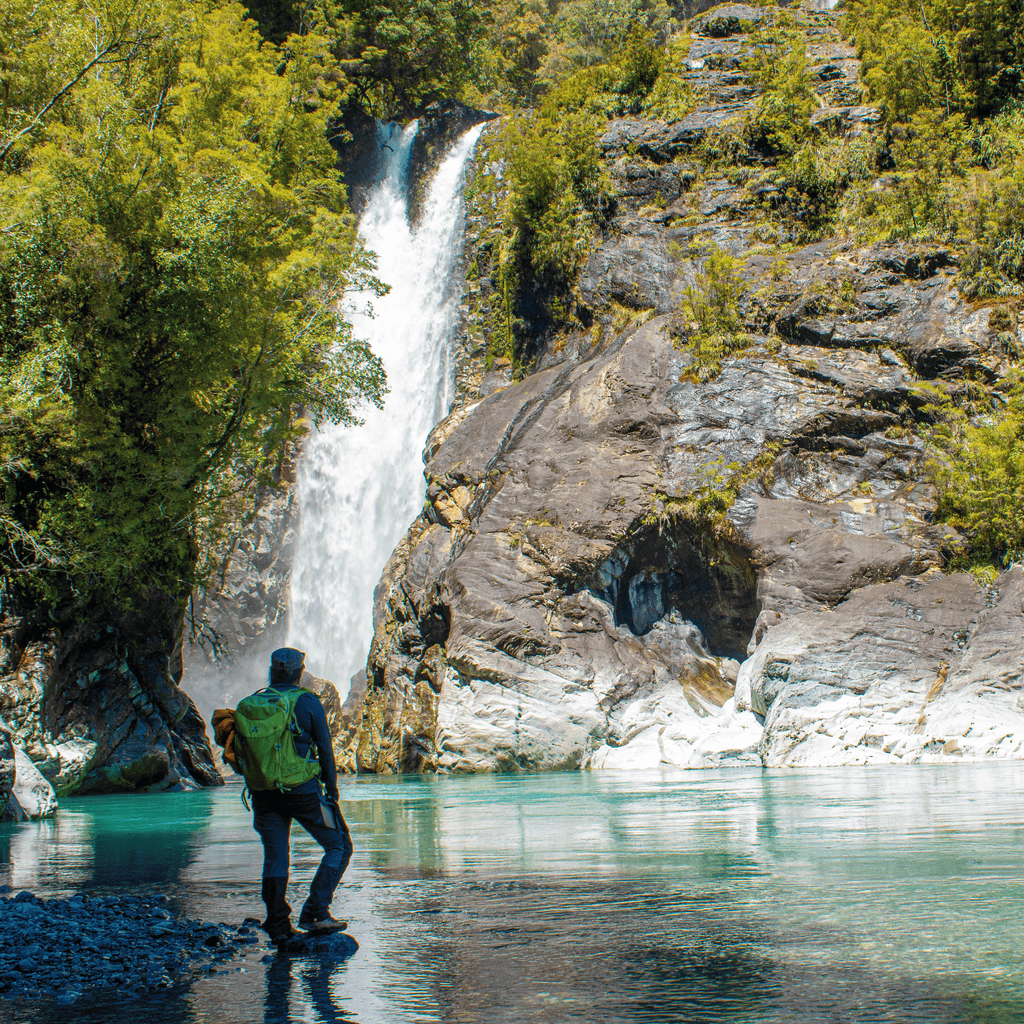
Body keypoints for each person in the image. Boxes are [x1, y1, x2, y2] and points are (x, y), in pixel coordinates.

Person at [248, 647, 353, 945]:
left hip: (264, 793)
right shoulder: (307, 701)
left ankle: (278, 925)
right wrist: (331, 789)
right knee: (339, 846)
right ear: (299, 672)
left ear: (272, 671)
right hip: (303, 792)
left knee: (276, 855)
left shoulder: (255, 701)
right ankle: (316, 912)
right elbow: (326, 750)